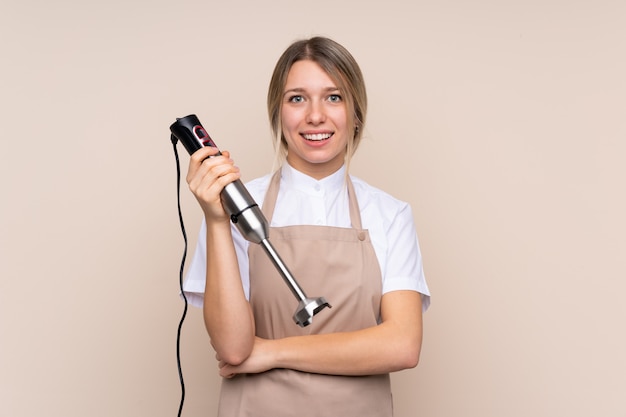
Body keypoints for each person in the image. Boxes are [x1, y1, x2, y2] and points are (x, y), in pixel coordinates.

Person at [183, 36, 430, 417]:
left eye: (334, 97)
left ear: (355, 112)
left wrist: (269, 351)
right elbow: (233, 348)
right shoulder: (235, 208)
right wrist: (216, 220)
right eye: (297, 98)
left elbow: (402, 345)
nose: (315, 116)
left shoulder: (389, 214)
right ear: (277, 113)